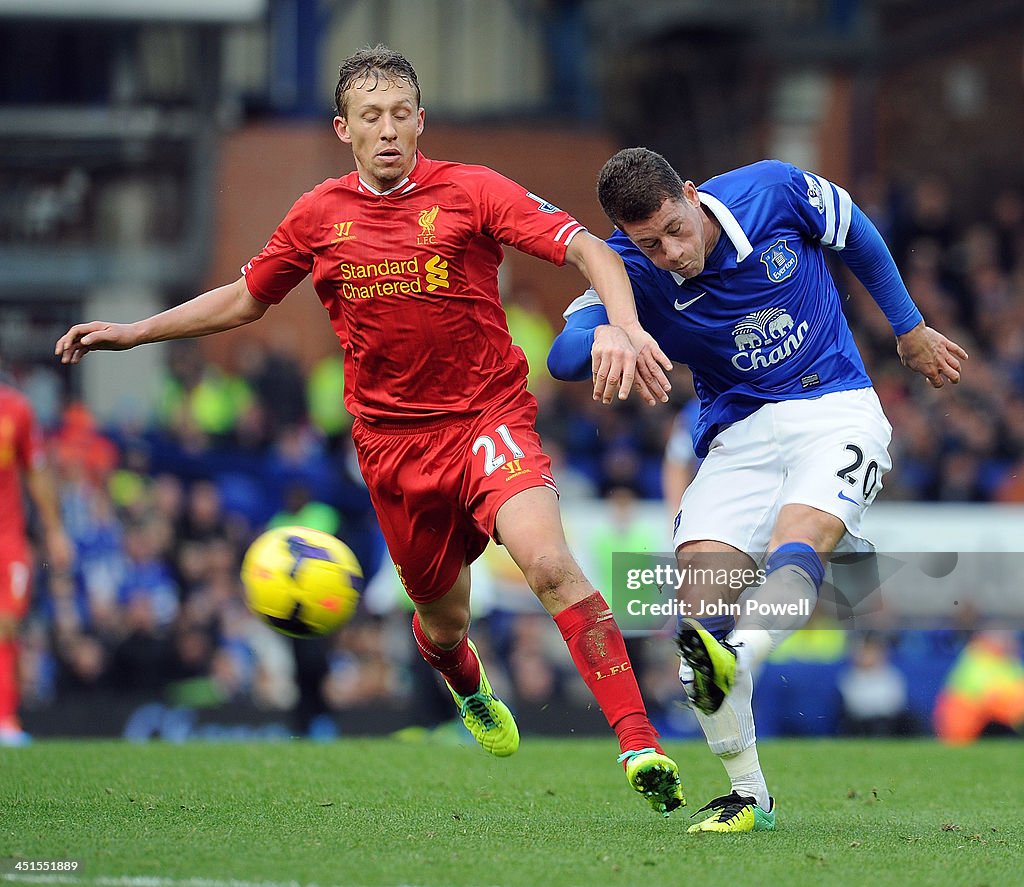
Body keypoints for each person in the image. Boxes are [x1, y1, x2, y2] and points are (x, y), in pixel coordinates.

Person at [55, 46, 685, 815]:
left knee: (551, 564)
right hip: (392, 451)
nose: (387, 130)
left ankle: (638, 743)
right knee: (442, 620)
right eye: (370, 118)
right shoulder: (318, 215)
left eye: (399, 116)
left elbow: (588, 247)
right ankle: (467, 683)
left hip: (487, 419)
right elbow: (246, 298)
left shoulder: (472, 191)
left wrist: (621, 327)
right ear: (343, 130)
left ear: (420, 122)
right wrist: (133, 331)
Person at [548, 147, 967, 831]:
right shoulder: (628, 272)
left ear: (690, 194)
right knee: (695, 638)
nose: (671, 253)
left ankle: (740, 656)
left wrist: (908, 326)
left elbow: (854, 229)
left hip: (833, 407)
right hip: (736, 439)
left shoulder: (771, 190)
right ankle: (751, 795)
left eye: (675, 230)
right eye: (649, 244)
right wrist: (610, 336)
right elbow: (562, 355)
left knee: (797, 541)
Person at [0, 377, 73, 746]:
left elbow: (36, 472)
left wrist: (55, 530)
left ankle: (5, 720)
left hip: (7, 539)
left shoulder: (16, 409)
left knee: (7, 625)